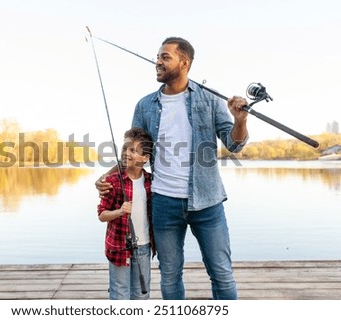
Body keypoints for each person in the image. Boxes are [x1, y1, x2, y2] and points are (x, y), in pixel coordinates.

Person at [96, 37, 249, 300]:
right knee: (169, 275)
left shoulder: (210, 100)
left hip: (208, 203)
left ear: (184, 62)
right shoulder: (145, 105)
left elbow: (234, 145)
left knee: (222, 274)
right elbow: (132, 154)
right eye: (157, 56)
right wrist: (106, 176)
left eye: (165, 57)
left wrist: (240, 120)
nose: (157, 61)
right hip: (163, 202)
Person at [97, 127, 155, 300]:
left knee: (141, 295)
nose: (126, 153)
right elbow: (101, 215)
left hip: (144, 247)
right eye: (125, 149)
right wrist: (119, 211)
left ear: (145, 158)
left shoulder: (151, 182)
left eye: (133, 150)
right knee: (120, 293)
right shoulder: (113, 182)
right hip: (119, 246)